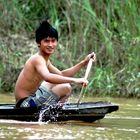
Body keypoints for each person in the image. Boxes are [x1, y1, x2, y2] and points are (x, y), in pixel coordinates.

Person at [15, 20, 96, 108]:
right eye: (46, 41)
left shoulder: (45, 60)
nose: (50, 44)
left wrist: (84, 62)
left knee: (60, 83)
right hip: (24, 105)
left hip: (32, 98)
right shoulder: (37, 59)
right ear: (39, 43)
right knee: (66, 87)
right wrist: (75, 80)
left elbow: (61, 74)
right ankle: (56, 114)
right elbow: (48, 77)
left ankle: (55, 111)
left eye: (53, 41)